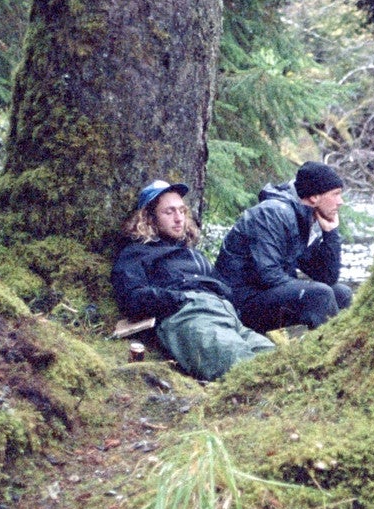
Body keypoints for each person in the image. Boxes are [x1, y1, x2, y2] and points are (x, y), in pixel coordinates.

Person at [110, 180, 275, 381]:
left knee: (276, 360)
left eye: (182, 211)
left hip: (228, 317)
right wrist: (179, 299)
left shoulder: (193, 255)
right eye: (169, 212)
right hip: (188, 316)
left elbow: (222, 286)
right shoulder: (137, 253)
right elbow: (131, 297)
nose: (179, 218)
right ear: (149, 218)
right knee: (242, 367)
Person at [214, 162, 353, 333]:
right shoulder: (272, 213)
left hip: (263, 295)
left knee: (341, 293)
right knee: (320, 294)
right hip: (237, 304)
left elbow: (327, 277)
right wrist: (307, 291)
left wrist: (330, 233)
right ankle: (329, 348)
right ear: (314, 197)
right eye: (336, 194)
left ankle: (340, 345)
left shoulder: (305, 217)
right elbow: (268, 276)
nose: (340, 202)